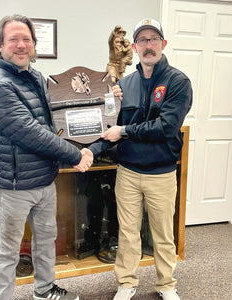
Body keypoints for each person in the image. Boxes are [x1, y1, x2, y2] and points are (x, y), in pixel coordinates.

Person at [0, 14, 93, 300]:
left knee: (46, 240)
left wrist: (108, 98)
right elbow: (29, 132)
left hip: (44, 178)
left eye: (26, 39)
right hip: (13, 185)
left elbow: (62, 111)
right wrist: (75, 154)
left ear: (34, 45)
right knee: (7, 250)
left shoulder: (36, 77)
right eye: (13, 39)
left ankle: (44, 290)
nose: (21, 45)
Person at [88, 18, 192, 300]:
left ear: (163, 44)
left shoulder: (178, 82)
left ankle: (166, 285)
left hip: (161, 173)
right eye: (142, 40)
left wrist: (125, 130)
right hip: (128, 172)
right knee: (128, 233)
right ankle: (126, 283)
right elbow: (111, 127)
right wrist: (91, 146)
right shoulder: (125, 85)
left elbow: (165, 128)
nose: (148, 45)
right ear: (134, 47)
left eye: (153, 39)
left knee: (162, 234)